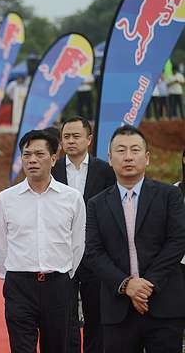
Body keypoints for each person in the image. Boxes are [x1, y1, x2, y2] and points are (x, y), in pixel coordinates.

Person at [86, 125, 185, 353]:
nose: (128, 157)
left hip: (164, 306)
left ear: (147, 158)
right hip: (117, 309)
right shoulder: (96, 203)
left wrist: (145, 286)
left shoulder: (169, 195)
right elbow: (94, 251)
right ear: (110, 159)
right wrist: (126, 285)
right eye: (120, 151)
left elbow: (177, 241)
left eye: (135, 150)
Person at [0, 130, 86, 353]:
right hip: (19, 285)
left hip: (58, 286)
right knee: (21, 347)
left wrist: (63, 273)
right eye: (26, 155)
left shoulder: (71, 198)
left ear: (54, 158)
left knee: (57, 346)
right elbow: (1, 243)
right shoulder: (6, 199)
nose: (32, 160)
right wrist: (11, 276)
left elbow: (77, 244)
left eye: (39, 154)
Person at [51, 116, 116, 353]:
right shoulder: (52, 169)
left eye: (76, 136)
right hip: (62, 252)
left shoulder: (105, 170)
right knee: (65, 314)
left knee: (95, 313)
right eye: (66, 136)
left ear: (89, 139)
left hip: (95, 252)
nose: (70, 141)